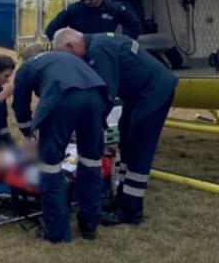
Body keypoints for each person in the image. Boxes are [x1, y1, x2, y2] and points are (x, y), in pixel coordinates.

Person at [52, 28, 178, 226]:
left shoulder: (99, 51)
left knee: (139, 147)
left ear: (70, 45)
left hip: (153, 93)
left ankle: (131, 211)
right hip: (139, 95)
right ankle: (123, 198)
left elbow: (105, 95)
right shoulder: (98, 44)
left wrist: (90, 126)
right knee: (127, 140)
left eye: (68, 57)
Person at [12, 45, 110, 243]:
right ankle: (89, 225)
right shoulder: (65, 58)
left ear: (25, 58)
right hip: (97, 97)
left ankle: (57, 232)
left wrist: (29, 134)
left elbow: (20, 107)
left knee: (50, 166)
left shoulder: (27, 67)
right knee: (91, 162)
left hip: (62, 98)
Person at [44, 0, 141, 41]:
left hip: (106, 52)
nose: (87, 2)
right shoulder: (73, 11)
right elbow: (50, 31)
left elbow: (135, 26)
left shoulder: (113, 9)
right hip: (82, 56)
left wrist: (122, 44)